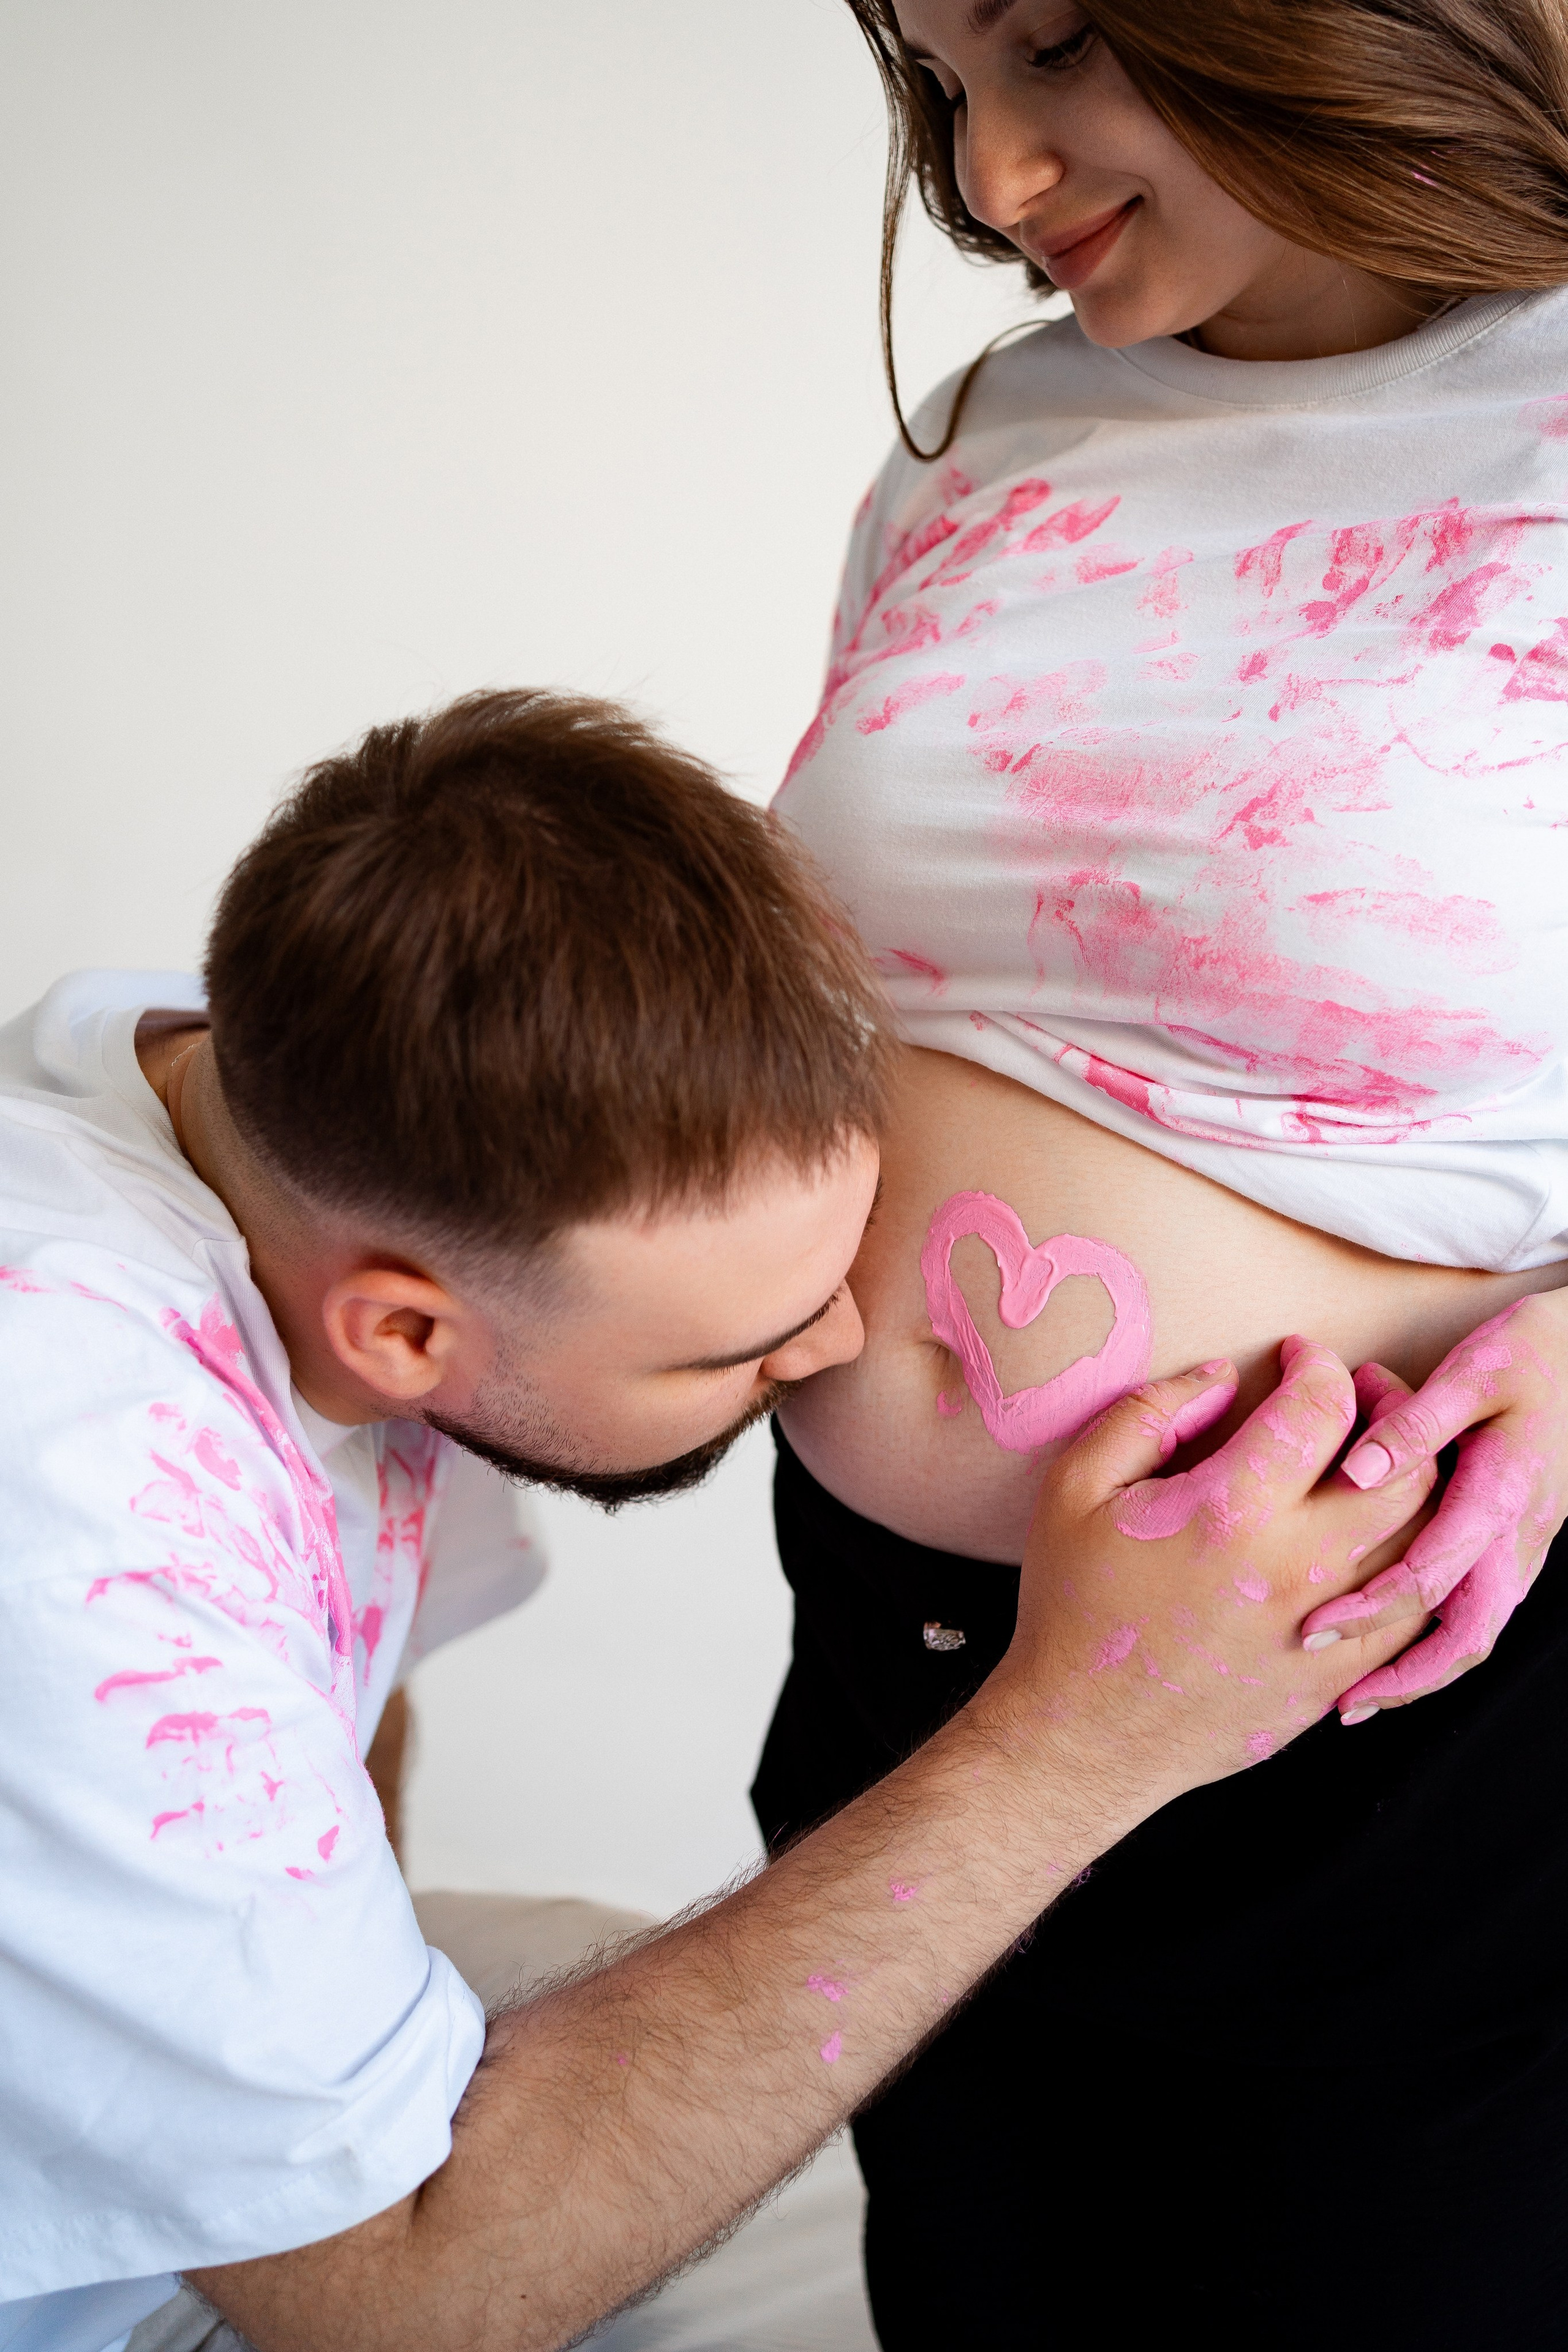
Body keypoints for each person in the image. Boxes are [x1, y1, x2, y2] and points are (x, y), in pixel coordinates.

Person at [0, 687, 1424, 2352]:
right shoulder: (90, 1495)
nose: (836, 1344)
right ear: (400, 1334)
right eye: (737, 1345)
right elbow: (396, 2299)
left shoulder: (249, 1090)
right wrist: (1086, 1737)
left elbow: (344, 1720)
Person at [757, 2, 1568, 2345]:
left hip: (1390, 1709)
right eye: (940, 81)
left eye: (1056, 43)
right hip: (906, 1679)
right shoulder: (987, 440)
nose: (991, 173)